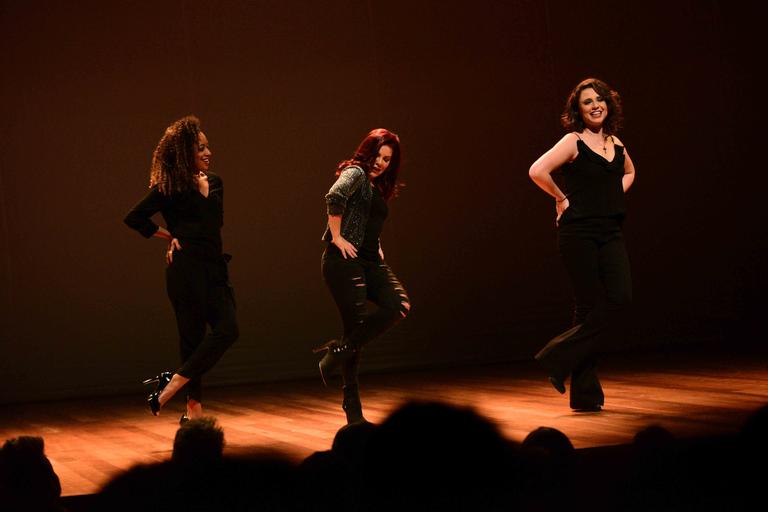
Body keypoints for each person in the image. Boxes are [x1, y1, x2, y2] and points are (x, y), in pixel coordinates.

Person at [528, 78, 635, 412]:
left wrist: (611, 197)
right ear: (578, 109)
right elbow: (537, 170)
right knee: (587, 306)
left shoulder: (616, 144)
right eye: (587, 102)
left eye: (600, 99)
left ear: (609, 104)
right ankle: (586, 395)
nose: (595, 105)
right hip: (578, 233)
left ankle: (557, 355)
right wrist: (561, 199)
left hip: (610, 230)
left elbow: (630, 172)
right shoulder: (573, 141)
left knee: (620, 297)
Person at [124, 115, 239, 423]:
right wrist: (169, 235)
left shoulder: (214, 182)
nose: (207, 152)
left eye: (207, 146)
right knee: (192, 339)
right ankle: (194, 411)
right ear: (184, 152)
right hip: (185, 271)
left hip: (214, 268)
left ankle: (170, 385)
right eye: (199, 147)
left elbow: (213, 224)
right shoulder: (169, 187)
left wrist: (201, 199)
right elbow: (134, 218)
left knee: (228, 329)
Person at [314, 128, 411, 425]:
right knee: (355, 326)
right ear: (368, 151)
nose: (381, 164)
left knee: (399, 305)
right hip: (344, 261)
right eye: (379, 156)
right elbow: (335, 195)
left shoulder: (374, 186)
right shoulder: (355, 172)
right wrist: (336, 237)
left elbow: (367, 218)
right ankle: (353, 408)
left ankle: (337, 353)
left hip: (369, 262)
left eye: (387, 160)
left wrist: (377, 244)